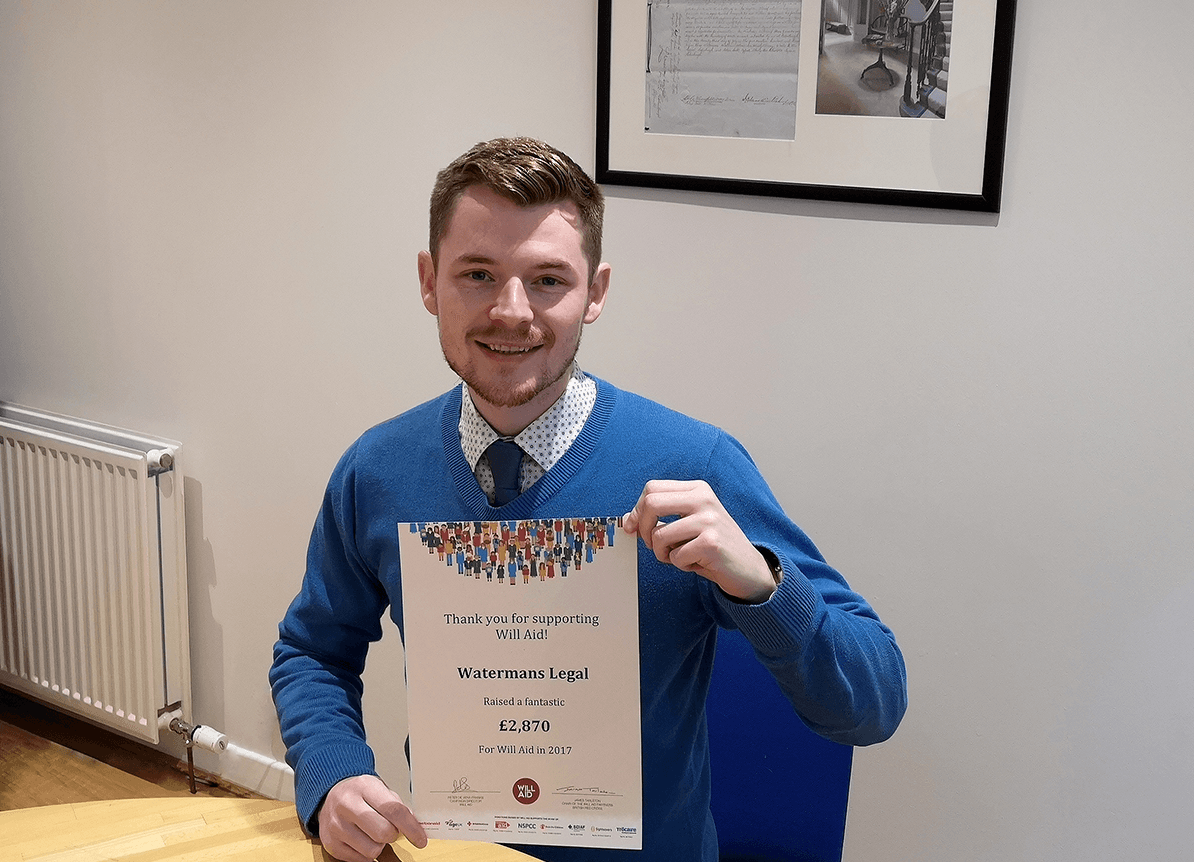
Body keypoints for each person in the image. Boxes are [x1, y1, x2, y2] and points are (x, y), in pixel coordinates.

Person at [270, 137, 907, 862]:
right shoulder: (378, 470)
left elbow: (872, 703)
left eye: (548, 280)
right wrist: (334, 774)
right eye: (477, 274)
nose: (511, 312)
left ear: (595, 292)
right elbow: (312, 650)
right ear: (427, 281)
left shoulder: (694, 467)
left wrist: (761, 583)